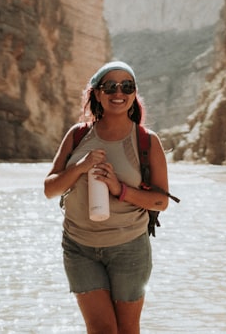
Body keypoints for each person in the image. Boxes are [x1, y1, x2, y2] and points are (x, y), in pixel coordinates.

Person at [44, 61, 171, 334]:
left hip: (129, 248)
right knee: (101, 329)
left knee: (126, 329)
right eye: (110, 86)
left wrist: (119, 189)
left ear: (134, 93)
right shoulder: (78, 135)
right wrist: (80, 167)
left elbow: (161, 201)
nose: (119, 92)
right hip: (79, 247)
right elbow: (50, 188)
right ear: (97, 93)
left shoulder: (147, 141)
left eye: (127, 86)